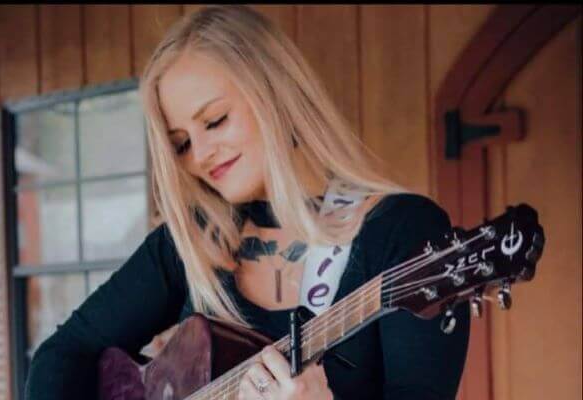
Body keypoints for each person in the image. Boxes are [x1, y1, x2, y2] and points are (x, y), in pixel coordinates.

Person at [25, 5, 469, 400]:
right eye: (181, 144)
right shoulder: (194, 240)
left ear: (275, 92)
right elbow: (61, 355)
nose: (200, 155)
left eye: (214, 121)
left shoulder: (405, 234)